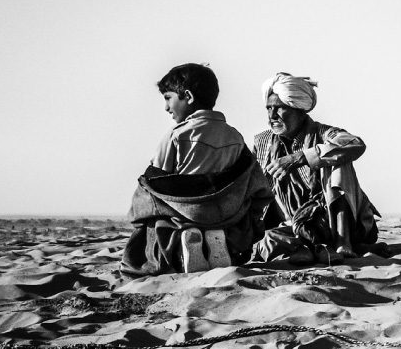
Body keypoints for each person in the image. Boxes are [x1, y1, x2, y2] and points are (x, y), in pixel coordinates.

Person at [122, 64, 272, 276]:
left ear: (188, 97)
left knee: (146, 200)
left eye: (168, 98)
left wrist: (138, 208)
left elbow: (156, 181)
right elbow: (253, 179)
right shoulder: (235, 136)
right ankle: (218, 243)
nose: (166, 107)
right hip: (225, 217)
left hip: (184, 215)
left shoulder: (177, 135)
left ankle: (181, 251)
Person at [252, 72, 381, 263]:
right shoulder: (262, 141)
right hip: (292, 225)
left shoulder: (324, 133)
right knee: (266, 241)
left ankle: (342, 242)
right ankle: (311, 247)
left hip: (332, 223)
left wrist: (301, 157)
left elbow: (355, 144)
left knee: (337, 159)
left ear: (298, 109)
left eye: (279, 108)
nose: (272, 116)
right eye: (269, 108)